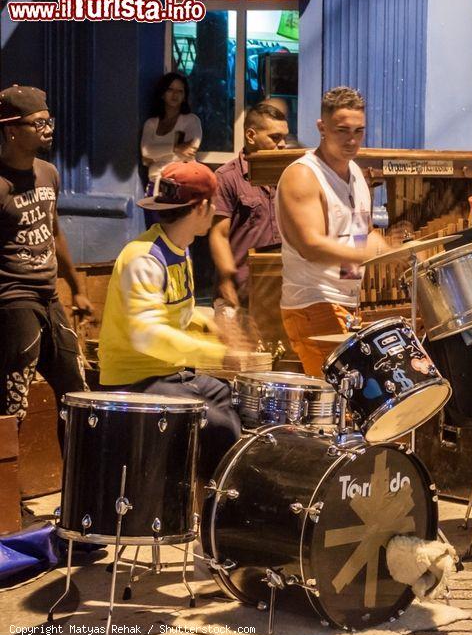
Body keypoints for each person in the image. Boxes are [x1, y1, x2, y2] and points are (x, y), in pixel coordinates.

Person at [98, 162, 242, 480]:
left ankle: (213, 508)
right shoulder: (144, 258)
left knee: (240, 401)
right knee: (220, 424)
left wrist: (213, 326)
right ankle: (209, 511)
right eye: (213, 202)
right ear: (202, 206)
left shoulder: (179, 248)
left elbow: (178, 316)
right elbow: (147, 335)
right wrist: (217, 354)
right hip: (135, 383)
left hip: (170, 374)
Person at [275, 87, 390, 377]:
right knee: (339, 403)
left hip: (345, 303)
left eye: (358, 131)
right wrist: (365, 251)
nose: (352, 140)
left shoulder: (358, 176)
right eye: (342, 130)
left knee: (357, 404)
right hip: (312, 302)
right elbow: (309, 245)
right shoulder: (302, 174)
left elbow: (355, 238)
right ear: (321, 127)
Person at [0, 85, 91, 432]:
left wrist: (77, 288)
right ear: (11, 130)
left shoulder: (48, 173)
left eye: (48, 120)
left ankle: (78, 484)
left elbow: (55, 233)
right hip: (13, 300)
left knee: (77, 395)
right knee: (13, 404)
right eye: (37, 123)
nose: (47, 128)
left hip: (49, 297)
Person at [209, 102, 289, 309]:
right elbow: (219, 234)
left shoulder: (290, 176)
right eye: (275, 137)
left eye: (285, 138)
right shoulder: (227, 177)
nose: (283, 145)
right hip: (240, 295)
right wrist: (227, 281)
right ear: (251, 136)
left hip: (280, 291)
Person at [140, 72, 202, 183]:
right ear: (162, 94)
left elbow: (190, 150)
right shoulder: (151, 123)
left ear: (184, 96)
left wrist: (155, 156)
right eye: (170, 90)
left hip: (182, 184)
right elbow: (146, 151)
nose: (175, 95)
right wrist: (176, 148)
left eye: (180, 91)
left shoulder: (191, 120)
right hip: (155, 184)